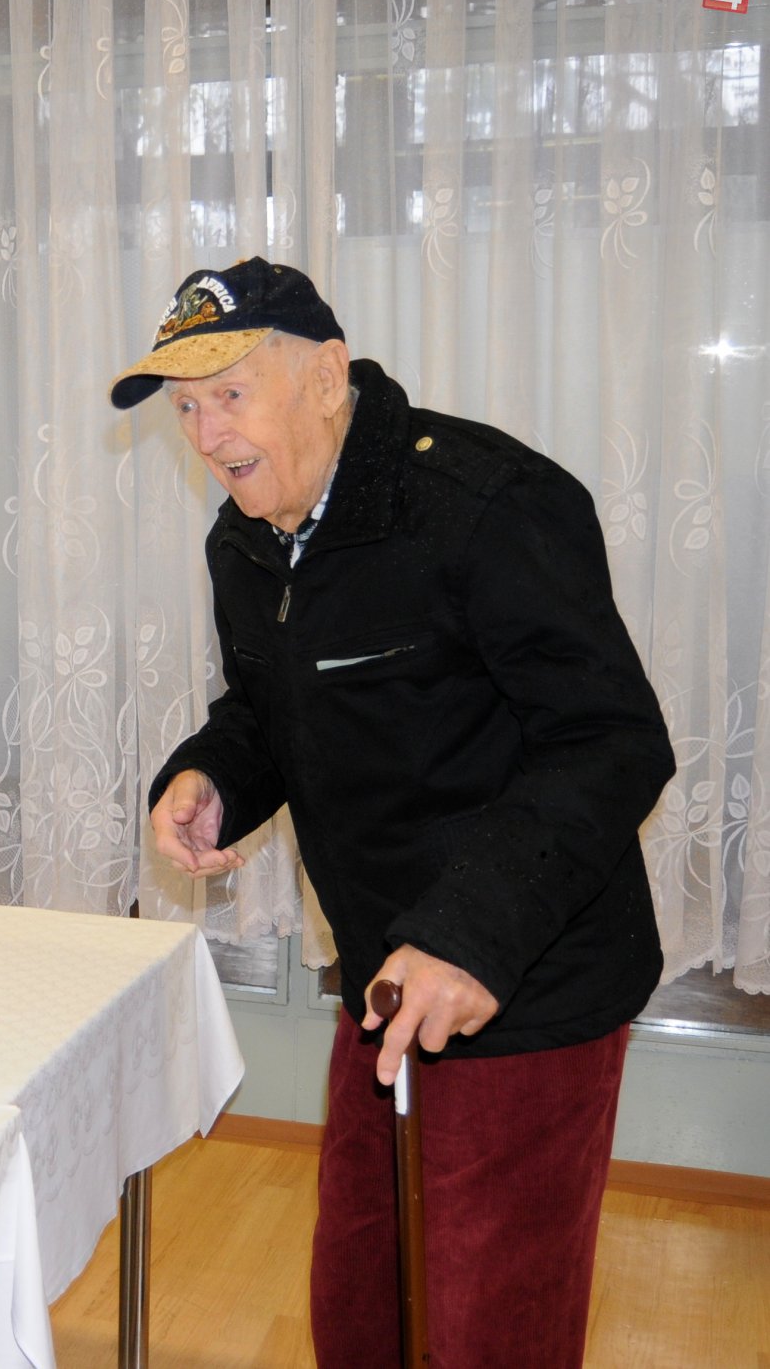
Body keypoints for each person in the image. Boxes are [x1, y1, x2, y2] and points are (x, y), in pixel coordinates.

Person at [109, 256, 675, 1369]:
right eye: (185, 408)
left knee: (487, 1330)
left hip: (525, 977)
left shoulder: (484, 506)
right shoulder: (245, 537)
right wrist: (211, 775)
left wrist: (467, 939)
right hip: (381, 975)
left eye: (230, 393)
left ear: (326, 377)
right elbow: (271, 709)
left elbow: (611, 741)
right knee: (360, 1300)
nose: (207, 434)